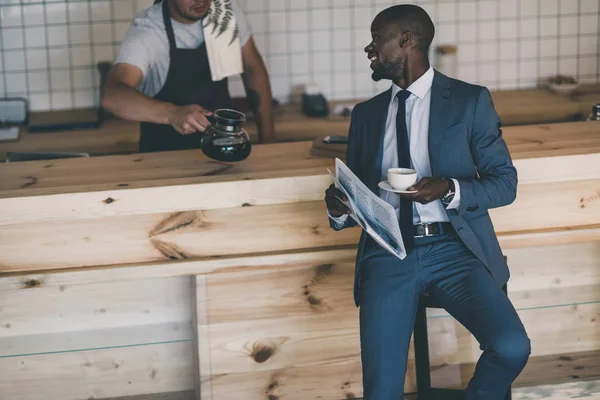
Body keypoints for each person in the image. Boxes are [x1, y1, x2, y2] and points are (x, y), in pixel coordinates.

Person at [324, 5, 530, 399]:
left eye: (376, 38)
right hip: (389, 254)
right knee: (382, 388)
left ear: (406, 41)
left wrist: (448, 189)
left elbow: (505, 184)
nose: (369, 48)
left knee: (511, 346)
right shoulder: (365, 116)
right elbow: (357, 198)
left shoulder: (469, 101)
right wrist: (339, 209)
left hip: (456, 249)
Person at [101, 0, 276, 153]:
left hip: (223, 149)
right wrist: (173, 113)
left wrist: (268, 142)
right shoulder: (149, 31)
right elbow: (112, 96)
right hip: (163, 158)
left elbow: (253, 70)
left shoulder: (223, 11)